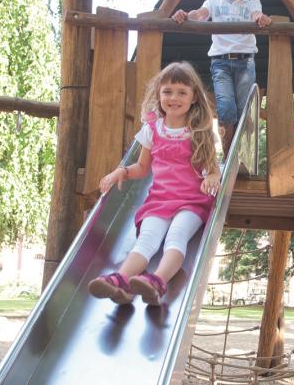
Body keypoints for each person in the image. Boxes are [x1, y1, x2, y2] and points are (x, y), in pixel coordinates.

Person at [88, 62, 220, 306]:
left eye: (182, 92)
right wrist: (121, 171)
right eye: (167, 91)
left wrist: (213, 176)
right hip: (159, 200)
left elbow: (212, 168)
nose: (174, 98)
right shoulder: (152, 130)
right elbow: (142, 168)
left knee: (176, 236)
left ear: (193, 98)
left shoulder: (199, 130)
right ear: (158, 95)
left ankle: (157, 281)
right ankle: (120, 280)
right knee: (147, 239)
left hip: (191, 202)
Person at [172, 0, 271, 156]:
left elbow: (256, 15)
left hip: (245, 62)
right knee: (226, 107)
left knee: (244, 108)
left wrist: (260, 18)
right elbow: (200, 15)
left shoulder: (253, 3)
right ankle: (229, 152)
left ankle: (243, 152)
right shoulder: (214, 1)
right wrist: (186, 15)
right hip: (221, 62)